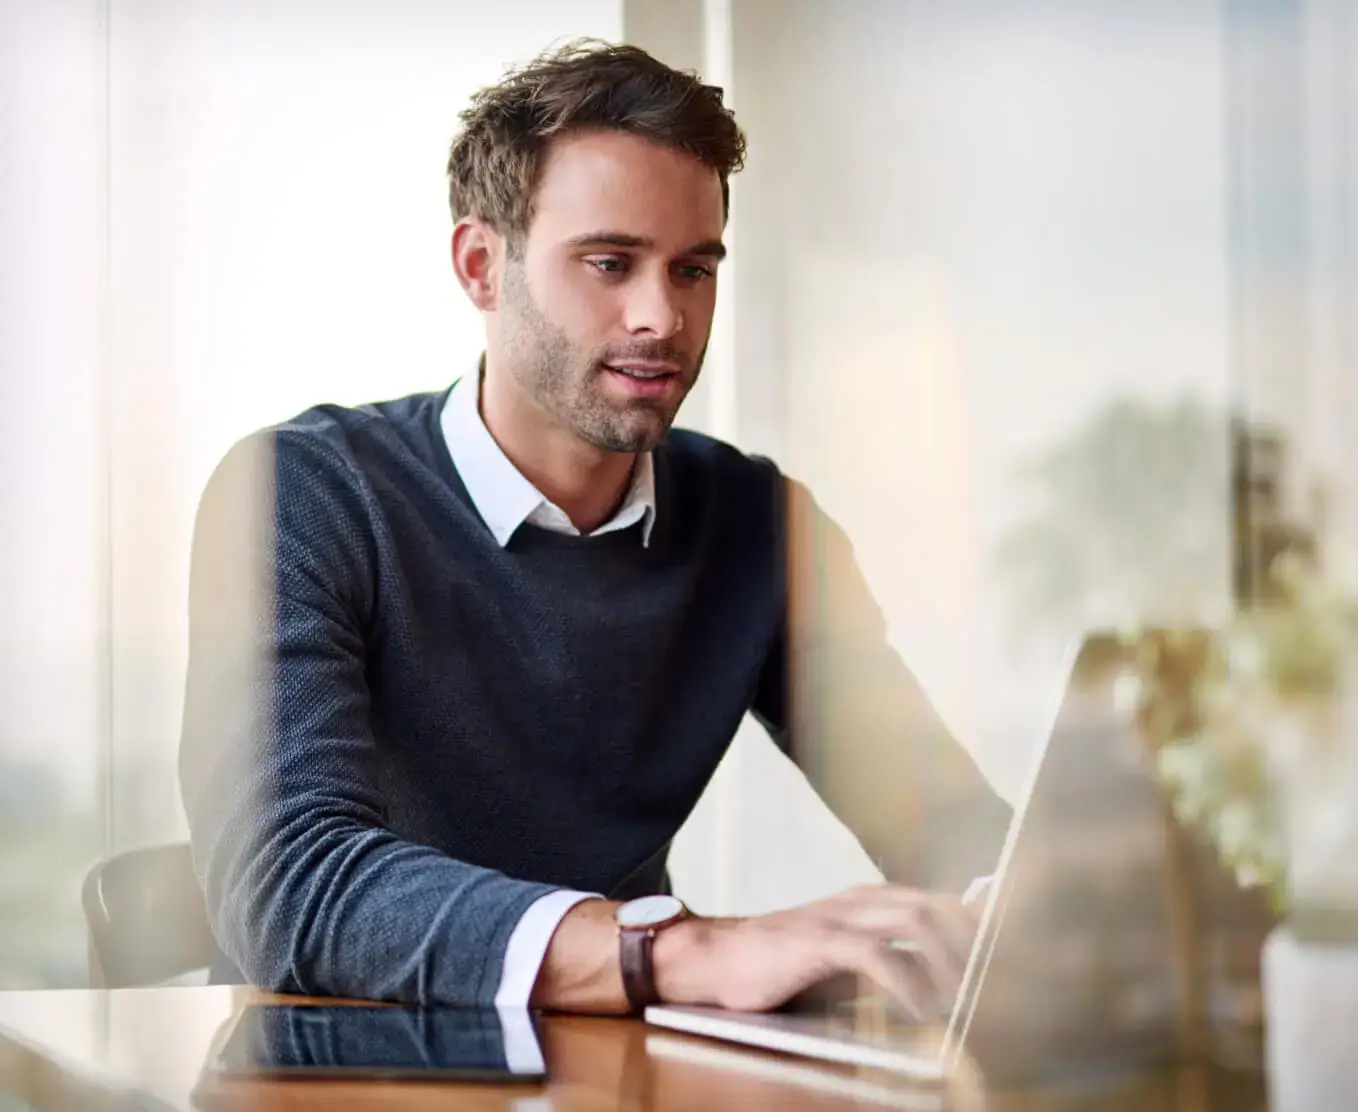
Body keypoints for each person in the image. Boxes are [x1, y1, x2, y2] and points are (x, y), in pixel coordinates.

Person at [178, 39, 1010, 1019]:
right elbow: (290, 883)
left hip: (622, 1065)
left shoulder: (758, 525)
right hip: (361, 1068)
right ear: (482, 265)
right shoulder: (305, 492)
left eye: (692, 269)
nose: (660, 315)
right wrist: (672, 948)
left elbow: (949, 829)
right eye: (609, 263)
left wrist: (1023, 906)